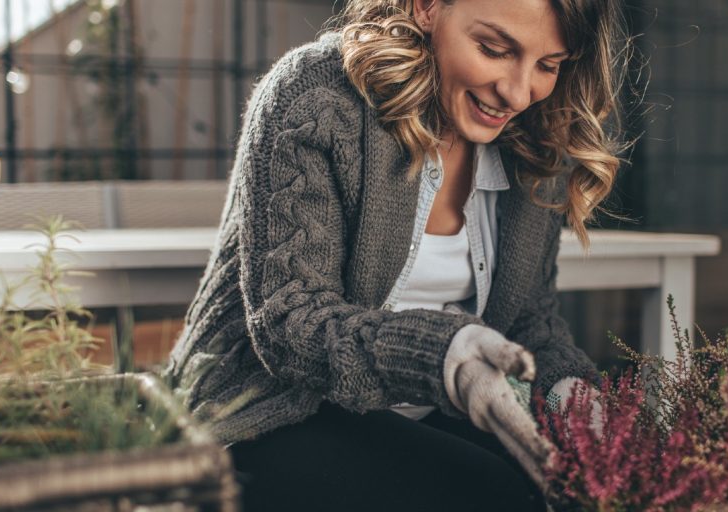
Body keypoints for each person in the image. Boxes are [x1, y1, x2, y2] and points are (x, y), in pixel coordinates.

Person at [163, 0, 627, 510]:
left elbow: (531, 323)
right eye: (494, 50)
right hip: (267, 413)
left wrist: (571, 399)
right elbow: (289, 323)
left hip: (427, 414)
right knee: (492, 495)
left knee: (584, 492)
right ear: (426, 8)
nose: (518, 93)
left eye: (548, 65)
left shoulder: (538, 140)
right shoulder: (315, 97)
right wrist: (446, 357)